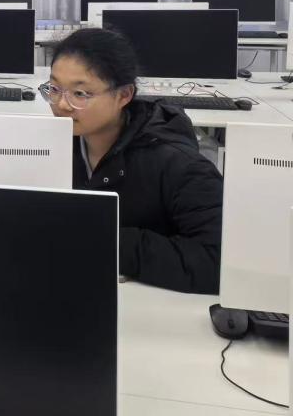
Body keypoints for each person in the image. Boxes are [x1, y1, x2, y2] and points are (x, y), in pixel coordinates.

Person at [41, 27, 222, 294]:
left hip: (155, 304)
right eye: (55, 89)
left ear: (124, 95)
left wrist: (112, 242)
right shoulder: (55, 146)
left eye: (80, 94)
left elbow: (218, 261)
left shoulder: (179, 165)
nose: (61, 105)